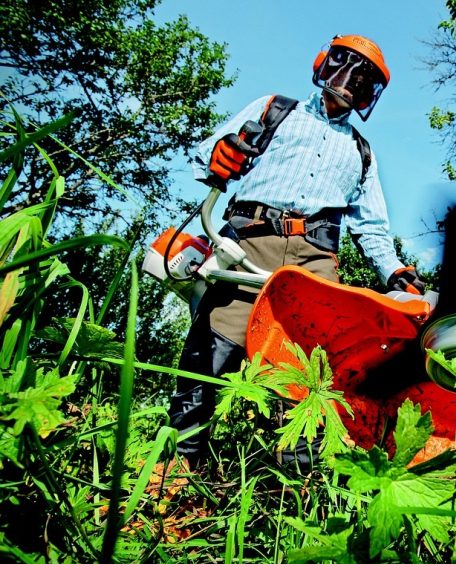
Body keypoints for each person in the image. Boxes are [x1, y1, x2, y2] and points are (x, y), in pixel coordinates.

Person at [168, 34, 424, 467]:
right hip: (251, 240)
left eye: (363, 81)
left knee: (314, 372)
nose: (348, 84)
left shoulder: (361, 152)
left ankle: (294, 484)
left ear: (370, 95)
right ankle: (174, 468)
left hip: (314, 260)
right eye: (343, 68)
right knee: (212, 352)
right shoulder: (275, 110)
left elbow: (372, 228)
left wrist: (394, 272)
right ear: (324, 64)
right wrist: (220, 154)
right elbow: (206, 154)